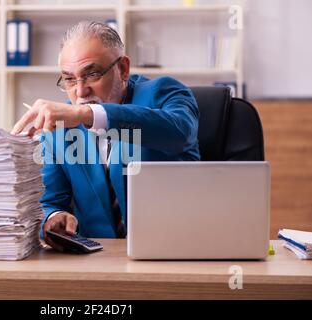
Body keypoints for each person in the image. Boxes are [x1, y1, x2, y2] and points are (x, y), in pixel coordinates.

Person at [12, 21, 200, 251]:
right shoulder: (59, 129)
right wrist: (55, 217)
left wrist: (89, 114)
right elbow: (47, 201)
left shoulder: (163, 93)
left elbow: (181, 131)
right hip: (99, 262)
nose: (80, 92)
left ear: (123, 69)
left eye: (92, 74)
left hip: (174, 252)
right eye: (69, 79)